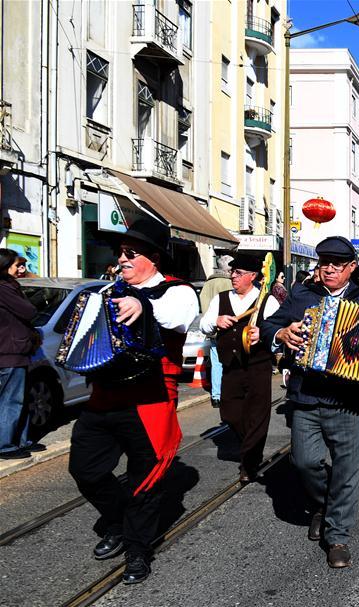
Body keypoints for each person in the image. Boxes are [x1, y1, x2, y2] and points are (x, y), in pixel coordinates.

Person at [260, 236, 359, 569]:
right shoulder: (302, 297)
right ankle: (323, 505)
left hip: (348, 400)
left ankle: (338, 535)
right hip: (306, 396)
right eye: (324, 263)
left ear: (351, 268)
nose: (328, 269)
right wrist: (282, 333)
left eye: (336, 264)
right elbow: (267, 325)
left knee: (346, 468)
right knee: (304, 462)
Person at [67, 218, 198, 584]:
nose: (122, 259)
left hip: (151, 398)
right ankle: (117, 520)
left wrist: (142, 304)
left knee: (146, 482)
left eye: (131, 253)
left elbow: (176, 318)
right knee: (85, 469)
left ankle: (138, 549)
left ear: (153, 259)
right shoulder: (108, 291)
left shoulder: (177, 291)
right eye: (120, 253)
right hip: (105, 397)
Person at [199, 254, 280, 483]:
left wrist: (263, 334)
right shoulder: (221, 299)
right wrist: (216, 322)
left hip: (257, 366)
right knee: (230, 414)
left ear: (253, 276)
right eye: (232, 272)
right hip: (231, 366)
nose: (233, 276)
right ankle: (250, 447)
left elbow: (278, 332)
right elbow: (204, 324)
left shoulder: (267, 300)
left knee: (257, 414)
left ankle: (249, 463)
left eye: (238, 273)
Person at [0, 250, 38, 460]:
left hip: (17, 351)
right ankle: (5, 445)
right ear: (5, 267)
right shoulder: (3, 288)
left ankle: (21, 441)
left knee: (19, 399)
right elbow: (29, 311)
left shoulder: (10, 286)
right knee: (11, 400)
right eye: (17, 265)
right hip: (9, 352)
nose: (21, 270)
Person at [199, 254, 234, 408]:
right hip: (227, 328)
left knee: (216, 362)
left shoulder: (208, 284)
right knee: (229, 362)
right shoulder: (229, 284)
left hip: (211, 328)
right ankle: (227, 393)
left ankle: (216, 395)